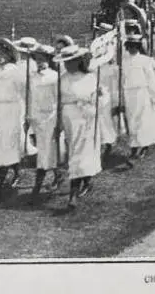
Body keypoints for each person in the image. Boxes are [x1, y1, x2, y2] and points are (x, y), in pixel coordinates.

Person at [55, 44, 103, 210]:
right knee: (75, 151)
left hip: (86, 117)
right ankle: (87, 181)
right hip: (69, 117)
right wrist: (59, 123)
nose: (67, 65)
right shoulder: (62, 78)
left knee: (79, 152)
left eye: (70, 62)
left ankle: (73, 195)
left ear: (78, 61)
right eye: (65, 62)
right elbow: (59, 101)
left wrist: (98, 97)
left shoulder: (90, 77)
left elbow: (98, 99)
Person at [0, 39, 25, 201]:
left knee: (5, 146)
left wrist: (22, 115)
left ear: (9, 54)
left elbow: (23, 93)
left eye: (3, 53)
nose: (0, 56)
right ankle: (17, 171)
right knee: (3, 145)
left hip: (11, 110)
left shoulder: (15, 71)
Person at [121, 33, 155, 165]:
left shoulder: (145, 60)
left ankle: (142, 148)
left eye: (135, 46)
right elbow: (122, 80)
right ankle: (134, 147)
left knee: (143, 121)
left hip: (143, 94)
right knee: (132, 123)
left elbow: (151, 81)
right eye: (130, 46)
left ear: (139, 47)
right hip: (129, 96)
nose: (132, 49)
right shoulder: (123, 61)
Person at [28, 45, 63, 203]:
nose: (40, 63)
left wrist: (58, 123)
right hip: (37, 118)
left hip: (51, 117)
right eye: (38, 60)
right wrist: (29, 118)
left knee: (46, 151)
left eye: (43, 60)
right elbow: (30, 98)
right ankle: (58, 175)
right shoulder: (32, 77)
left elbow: (59, 100)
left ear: (49, 60)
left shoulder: (55, 77)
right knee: (44, 150)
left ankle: (37, 187)